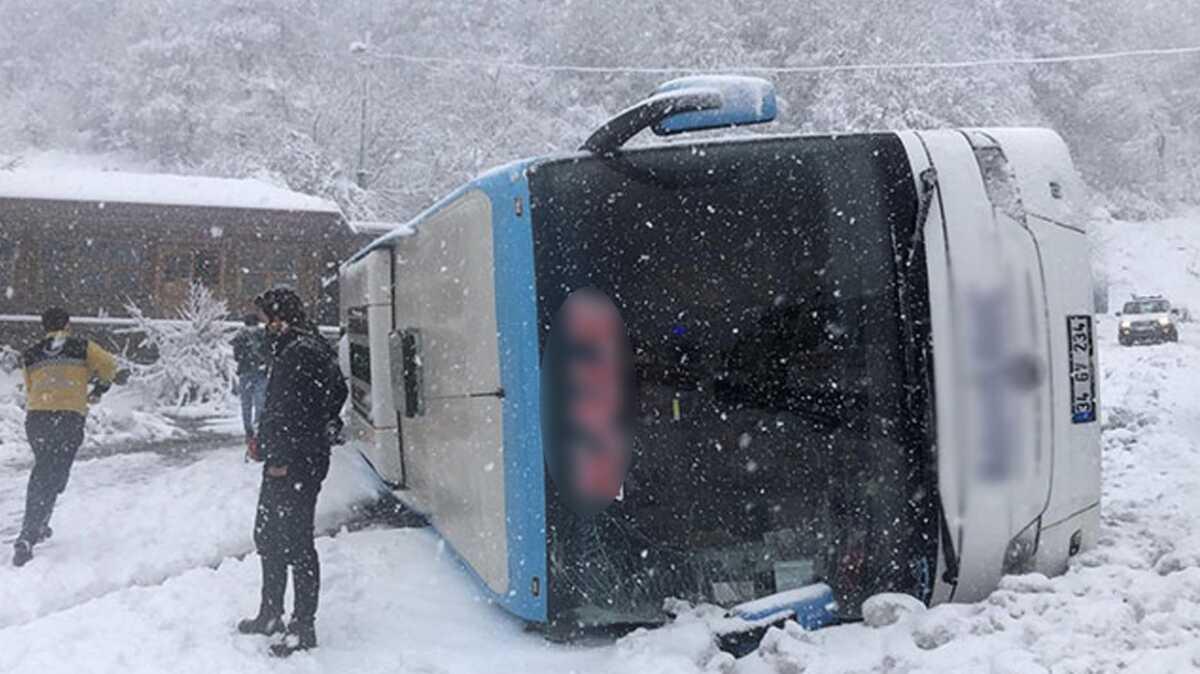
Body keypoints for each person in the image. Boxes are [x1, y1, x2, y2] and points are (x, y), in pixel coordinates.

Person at [237, 287, 347, 657]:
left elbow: (288, 411)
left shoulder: (301, 352)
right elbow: (337, 394)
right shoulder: (305, 346)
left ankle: (303, 625)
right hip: (290, 457)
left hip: (295, 462)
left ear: (281, 318)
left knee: (296, 541)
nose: (267, 326)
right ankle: (271, 613)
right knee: (268, 536)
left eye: (270, 319)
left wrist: (282, 454)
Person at [12, 307, 118, 567]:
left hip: (37, 419)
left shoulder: (31, 354)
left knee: (45, 471)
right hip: (68, 418)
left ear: (43, 327)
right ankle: (28, 533)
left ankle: (37, 524)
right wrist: (100, 387)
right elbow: (110, 366)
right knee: (54, 474)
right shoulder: (82, 347)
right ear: (68, 324)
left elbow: (30, 387)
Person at [231, 312, 270, 459]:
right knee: (259, 403)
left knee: (247, 405)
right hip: (257, 372)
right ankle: (256, 431)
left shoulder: (240, 336)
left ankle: (251, 433)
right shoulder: (262, 335)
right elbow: (268, 353)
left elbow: (237, 356)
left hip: (247, 373)